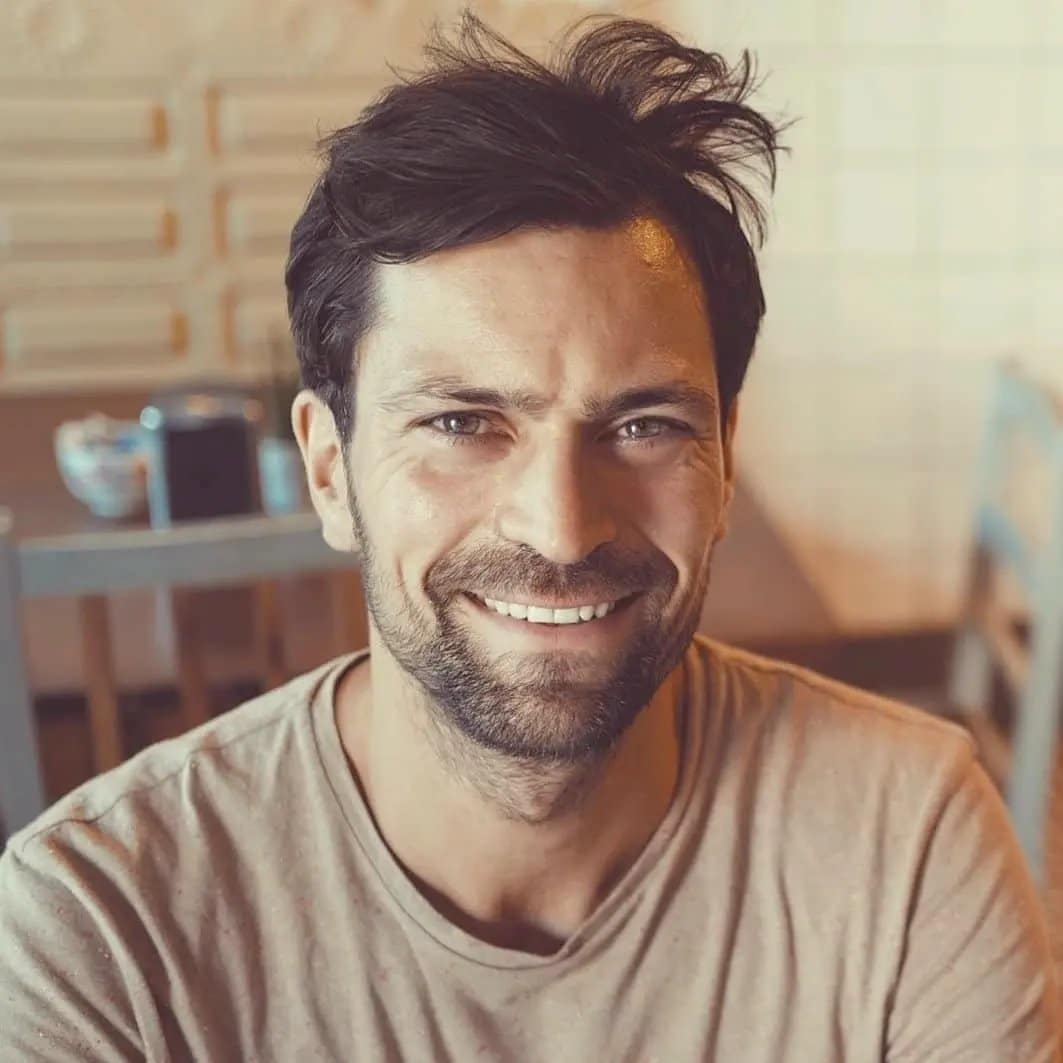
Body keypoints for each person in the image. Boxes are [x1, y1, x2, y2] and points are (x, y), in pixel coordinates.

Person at [1, 11, 1059, 1061]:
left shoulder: (908, 837)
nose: (559, 527)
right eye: (462, 423)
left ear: (725, 459)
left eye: (643, 424)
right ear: (330, 468)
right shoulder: (98, 935)